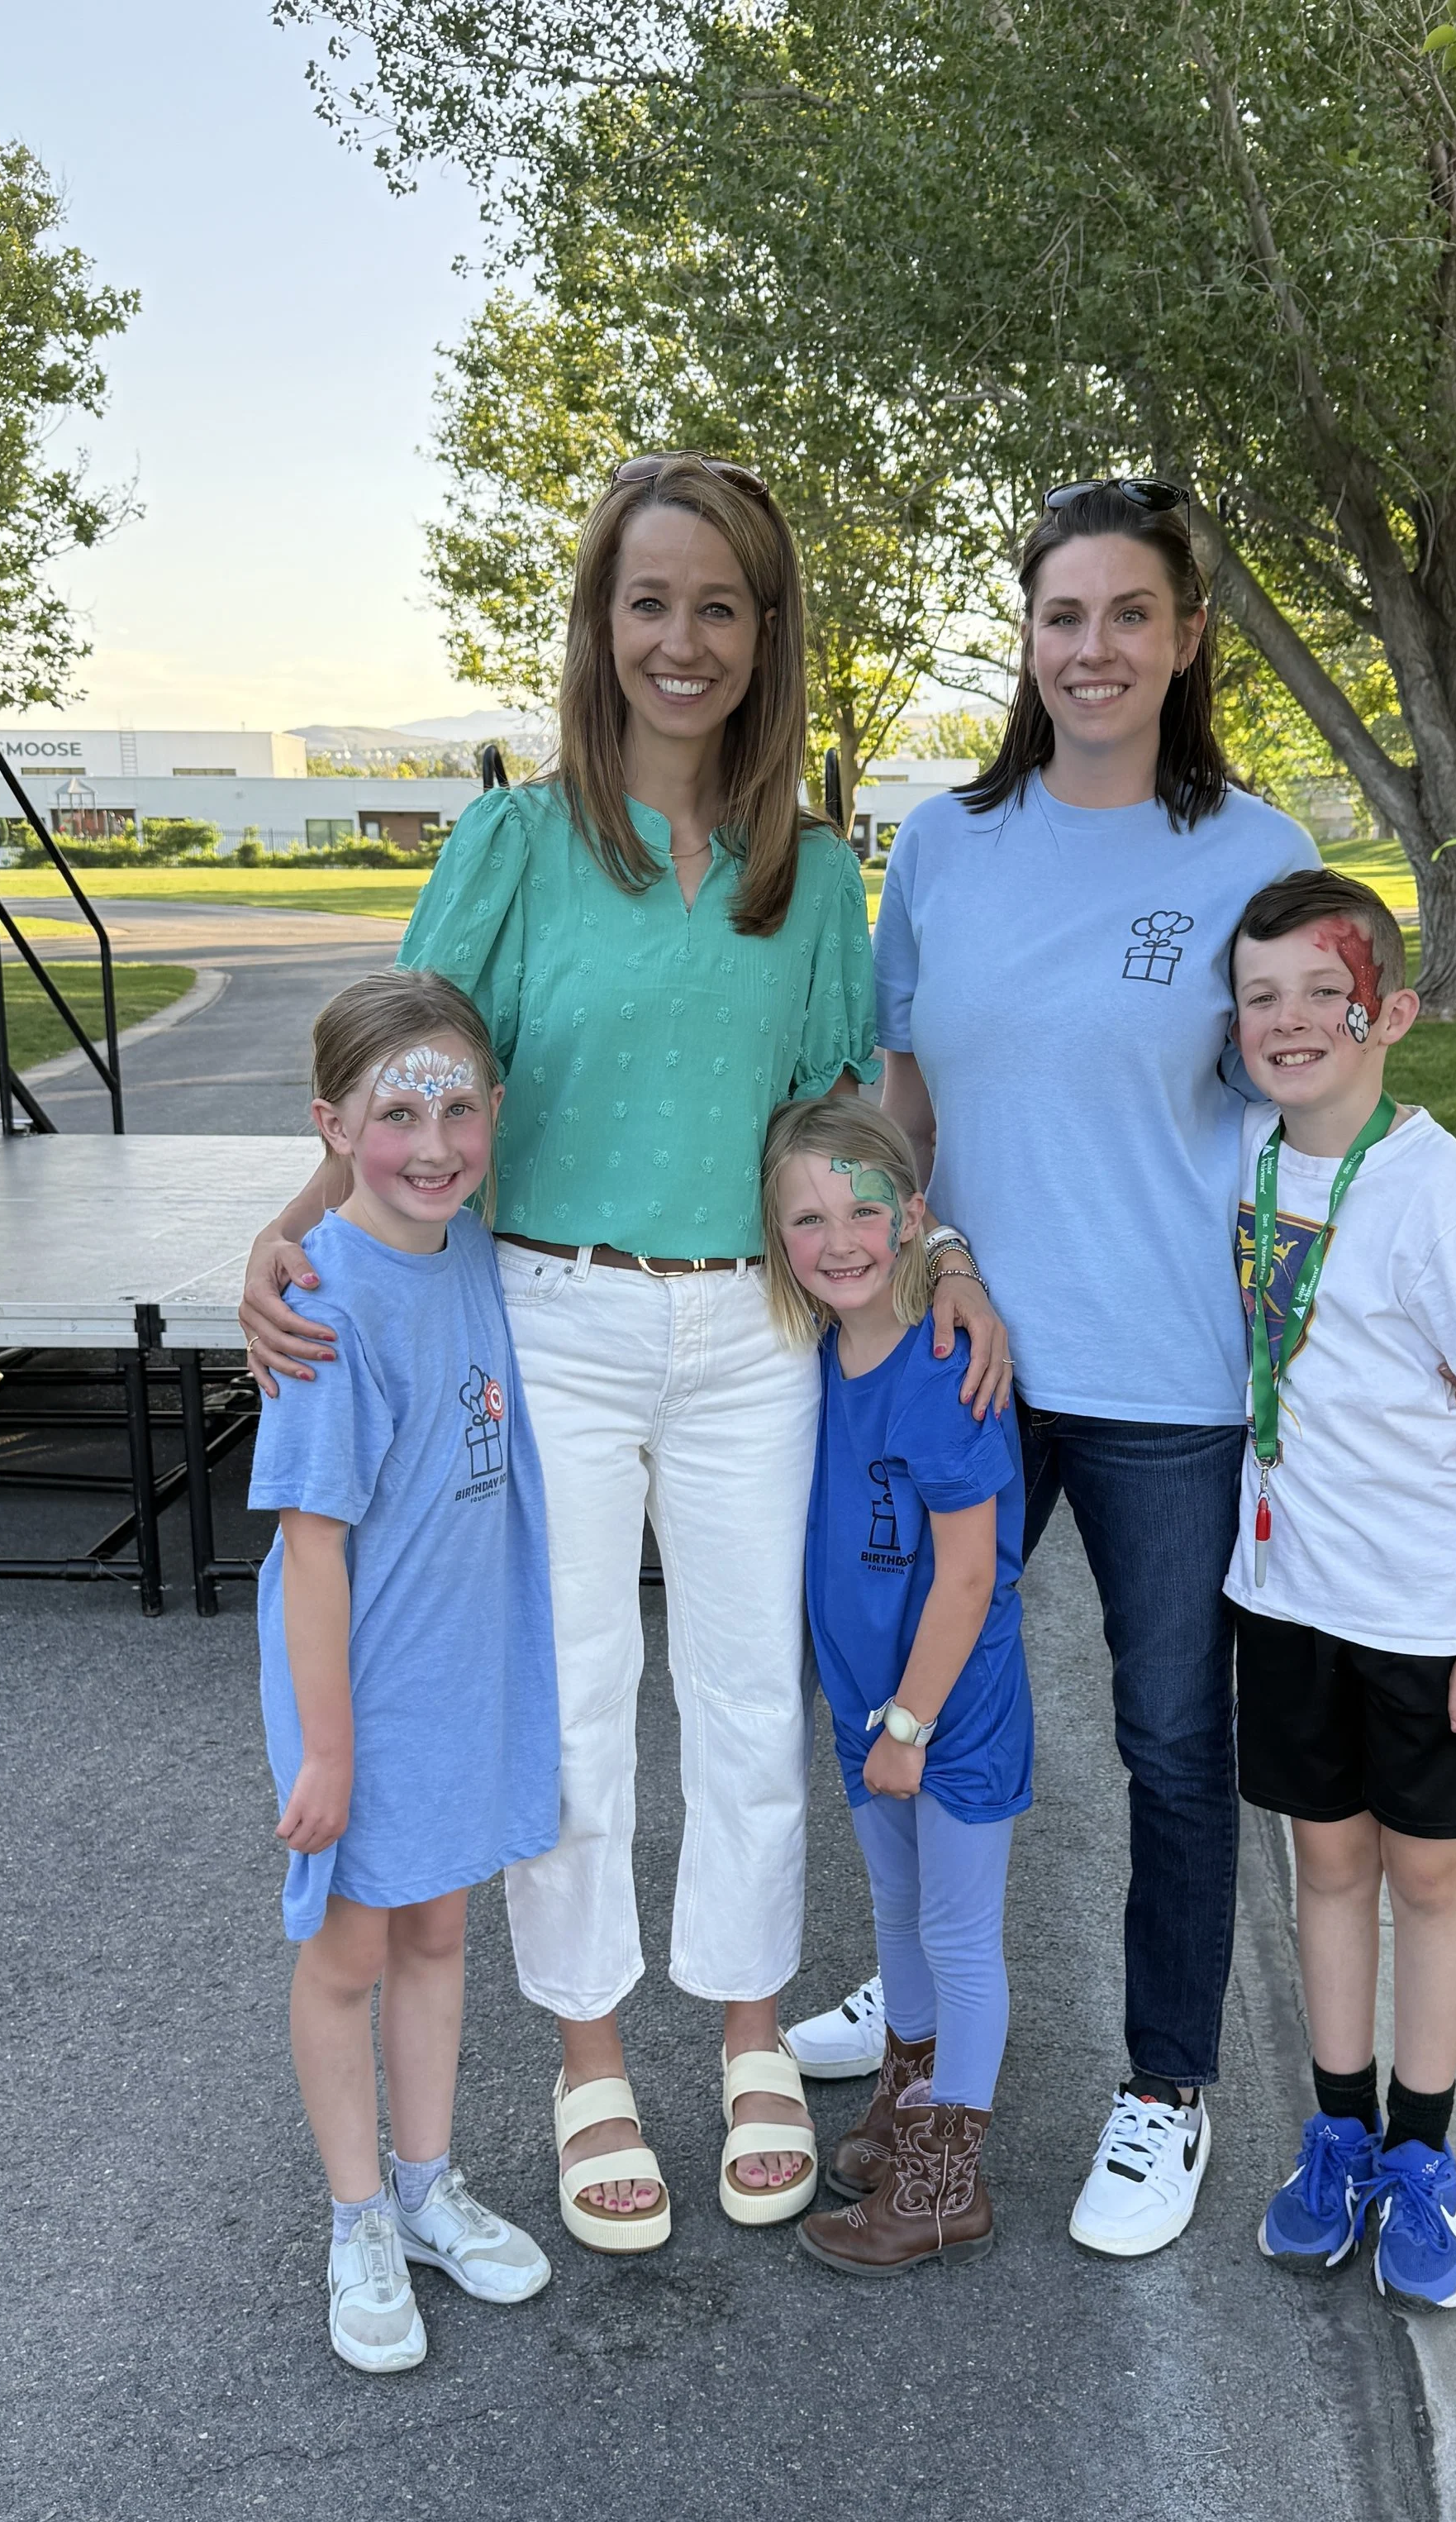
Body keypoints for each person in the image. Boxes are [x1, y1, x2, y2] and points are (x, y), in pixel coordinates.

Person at [240, 455, 1005, 2253]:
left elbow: (840, 1106)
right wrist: (296, 1227)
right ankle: (588, 2050)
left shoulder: (810, 871)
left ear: (763, 634)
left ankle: (746, 2023)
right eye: (646, 602)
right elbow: (407, 1060)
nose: (681, 639)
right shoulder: (511, 844)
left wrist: (936, 1242)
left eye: (718, 606)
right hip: (547, 1320)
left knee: (745, 1687)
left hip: (750, 1324)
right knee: (575, 1694)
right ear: (598, 627)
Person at [791, 476, 1316, 2257]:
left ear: (1182, 640)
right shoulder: (944, 843)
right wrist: (926, 1248)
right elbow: (902, 1098)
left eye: (1126, 616)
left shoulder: (1253, 851)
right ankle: (919, 2002)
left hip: (1167, 1377)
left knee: (1169, 1742)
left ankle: (1162, 2088)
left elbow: (1295, 1087)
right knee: (904, 1689)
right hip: (964, 1358)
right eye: (1059, 617)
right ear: (1024, 641)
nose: (1091, 649)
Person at [1224, 870, 1456, 2310]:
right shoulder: (1246, 1157)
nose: (1291, 1020)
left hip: (1431, 1624)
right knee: (1329, 1866)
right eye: (1261, 996)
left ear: (1391, 1013)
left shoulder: (1439, 1193)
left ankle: (1422, 2159)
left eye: (1323, 991)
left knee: (1429, 1874)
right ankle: (1340, 2135)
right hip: (1292, 1598)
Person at [251, 970, 557, 2373]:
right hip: (359, 1692)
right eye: (394, 1115)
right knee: (349, 1953)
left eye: (456, 1110)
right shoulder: (329, 1304)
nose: (430, 1144)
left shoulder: (472, 1249)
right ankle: (357, 2213)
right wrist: (328, 1750)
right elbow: (314, 1552)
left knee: (439, 1932)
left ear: (493, 1115)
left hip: (460, 1676)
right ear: (332, 1128)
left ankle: (431, 2186)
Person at [759, 1098, 1034, 2273]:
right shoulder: (818, 1351)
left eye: (868, 1211)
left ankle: (942, 2184)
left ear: (914, 1219)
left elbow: (967, 1576)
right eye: (810, 1219)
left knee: (962, 1936)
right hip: (870, 1711)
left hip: (948, 1715)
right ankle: (908, 2096)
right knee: (899, 1914)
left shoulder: (940, 1368)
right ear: (778, 1240)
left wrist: (914, 1723)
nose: (842, 1240)